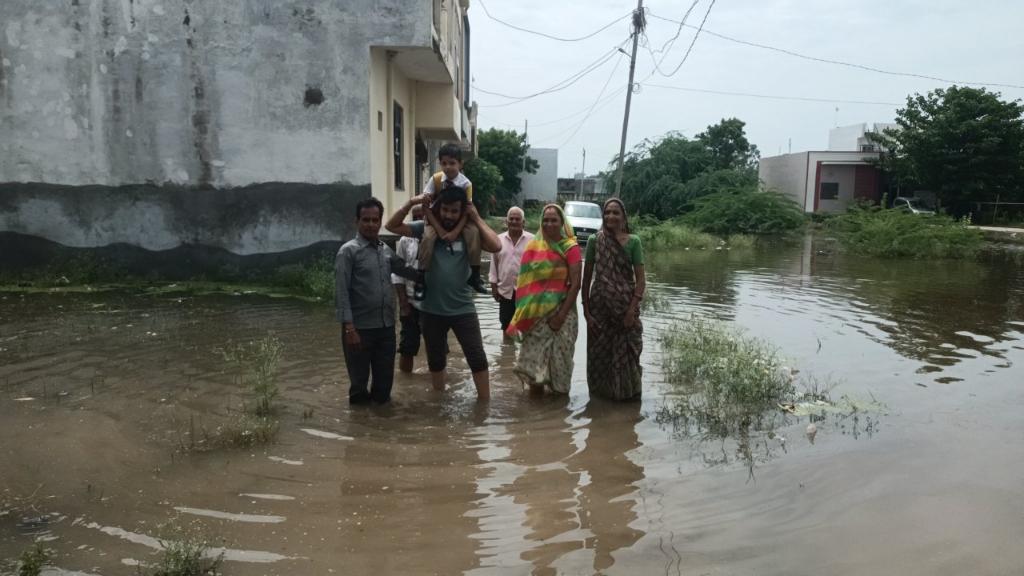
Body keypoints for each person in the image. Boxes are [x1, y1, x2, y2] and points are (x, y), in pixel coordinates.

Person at [385, 185, 502, 401]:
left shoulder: (470, 233)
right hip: (431, 310)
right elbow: (391, 226)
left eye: (455, 211)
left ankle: (484, 406)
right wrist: (412, 202)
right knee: (436, 360)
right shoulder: (424, 229)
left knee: (477, 357)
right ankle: (439, 403)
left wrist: (475, 217)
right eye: (445, 210)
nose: (449, 215)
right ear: (439, 209)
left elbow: (496, 245)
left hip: (463, 309)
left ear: (461, 212)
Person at [335, 197, 417, 405]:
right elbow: (342, 292)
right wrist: (349, 328)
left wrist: (433, 266)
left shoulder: (385, 249)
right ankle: (359, 432)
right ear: (357, 221)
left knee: (384, 389)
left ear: (380, 221)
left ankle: (380, 429)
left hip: (386, 329)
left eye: (375, 220)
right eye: (366, 220)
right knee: (359, 387)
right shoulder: (348, 251)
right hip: (359, 331)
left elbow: (406, 271)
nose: (371, 224)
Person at [506, 204, 583, 395]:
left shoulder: (571, 248)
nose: (549, 224)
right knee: (534, 370)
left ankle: (558, 414)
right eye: (545, 220)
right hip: (536, 315)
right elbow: (526, 282)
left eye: (554, 220)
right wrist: (523, 314)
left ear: (562, 222)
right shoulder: (533, 247)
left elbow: (575, 285)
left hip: (563, 316)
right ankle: (535, 415)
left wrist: (561, 316)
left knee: (560, 365)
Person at [582, 198, 646, 401]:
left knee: (627, 351)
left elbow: (641, 280)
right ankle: (600, 400)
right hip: (599, 306)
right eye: (607, 212)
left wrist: (630, 311)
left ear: (623, 217)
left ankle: (626, 395)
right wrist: (586, 312)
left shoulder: (634, 242)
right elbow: (586, 278)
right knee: (599, 355)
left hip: (625, 306)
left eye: (615, 213)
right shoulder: (595, 241)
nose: (611, 216)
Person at [416, 143, 488, 295]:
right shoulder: (435, 180)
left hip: (459, 219)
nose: (448, 167)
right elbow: (425, 207)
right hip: (435, 218)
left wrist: (456, 232)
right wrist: (440, 230)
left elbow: (467, 210)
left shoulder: (466, 184)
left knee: (474, 233)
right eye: (444, 163)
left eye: (452, 163)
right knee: (428, 238)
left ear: (460, 164)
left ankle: (475, 274)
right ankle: (421, 277)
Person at [489, 206, 534, 334]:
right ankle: (507, 352)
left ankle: (521, 354)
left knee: (526, 329)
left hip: (526, 293)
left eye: (517, 219)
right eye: (511, 219)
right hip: (505, 291)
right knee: (506, 328)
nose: (514, 222)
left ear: (523, 222)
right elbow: (494, 266)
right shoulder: (498, 240)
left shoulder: (533, 240)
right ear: (506, 222)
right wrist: (493, 288)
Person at [392, 204, 425, 373]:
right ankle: (406, 383)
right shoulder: (405, 239)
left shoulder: (437, 238)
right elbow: (397, 274)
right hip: (410, 302)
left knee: (438, 347)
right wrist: (403, 304)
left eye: (422, 216)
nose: (418, 220)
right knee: (407, 347)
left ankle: (439, 389)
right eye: (415, 217)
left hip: (433, 304)